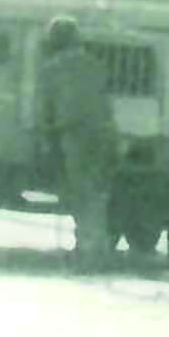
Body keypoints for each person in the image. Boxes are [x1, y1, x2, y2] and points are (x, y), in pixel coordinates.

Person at [33, 14, 115, 273]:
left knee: (81, 193)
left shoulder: (50, 69)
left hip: (74, 135)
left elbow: (46, 112)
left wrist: (46, 143)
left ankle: (87, 252)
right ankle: (97, 248)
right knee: (97, 193)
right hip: (104, 134)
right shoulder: (95, 64)